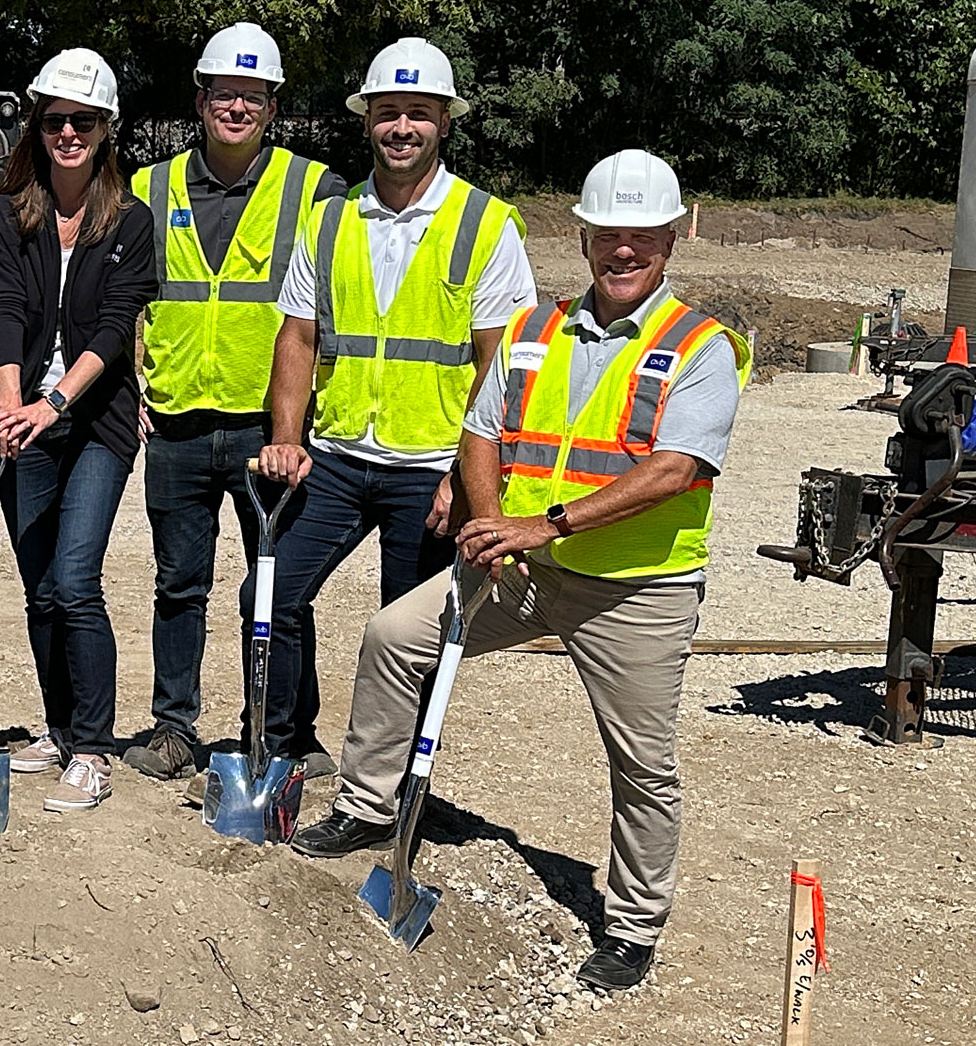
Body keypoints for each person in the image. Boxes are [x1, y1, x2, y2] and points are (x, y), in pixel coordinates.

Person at [292, 152, 747, 994]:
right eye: (608, 235)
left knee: (641, 763)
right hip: (527, 568)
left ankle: (634, 924)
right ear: (582, 237)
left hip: (637, 589)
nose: (622, 251)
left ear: (673, 238)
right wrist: (490, 517)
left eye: (640, 237)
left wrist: (548, 523)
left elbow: (677, 468)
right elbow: (480, 430)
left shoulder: (700, 347)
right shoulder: (538, 328)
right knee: (394, 635)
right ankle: (367, 805)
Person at [256, 36, 535, 772]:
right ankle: (287, 747)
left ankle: (389, 779)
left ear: (445, 121)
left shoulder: (486, 224)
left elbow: (500, 364)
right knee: (271, 594)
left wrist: (466, 477)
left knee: (403, 632)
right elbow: (298, 336)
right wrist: (288, 437)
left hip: (430, 469)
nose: (401, 127)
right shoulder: (332, 218)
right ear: (368, 120)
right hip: (338, 457)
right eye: (388, 112)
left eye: (418, 112)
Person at [124, 23, 345, 783]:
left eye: (252, 95)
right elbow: (123, 298)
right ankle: (174, 727)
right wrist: (131, 381)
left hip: (267, 425)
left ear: (272, 106)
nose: (237, 107)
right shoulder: (149, 188)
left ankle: (286, 731)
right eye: (225, 93)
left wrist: (309, 415)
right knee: (177, 584)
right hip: (180, 421)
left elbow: (330, 309)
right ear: (201, 98)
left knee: (280, 586)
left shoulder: (317, 190)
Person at [0, 49, 160, 814]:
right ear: (38, 125)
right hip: (26, 417)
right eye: (54, 120)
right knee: (37, 587)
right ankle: (56, 727)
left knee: (74, 577)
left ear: (105, 129)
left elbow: (117, 328)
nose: (67, 133)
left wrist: (52, 404)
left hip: (97, 421)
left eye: (81, 121)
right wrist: (14, 405)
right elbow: (6, 312)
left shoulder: (132, 221)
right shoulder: (7, 211)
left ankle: (92, 746)